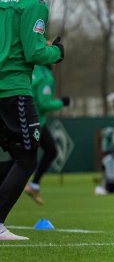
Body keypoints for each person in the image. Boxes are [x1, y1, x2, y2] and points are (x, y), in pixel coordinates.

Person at [0, 0, 64, 240]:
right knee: (27, 159)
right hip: (15, 90)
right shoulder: (35, 4)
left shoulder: (4, 1)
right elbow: (34, 51)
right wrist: (57, 52)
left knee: (15, 156)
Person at [23, 63, 70, 204]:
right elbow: (44, 103)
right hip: (35, 121)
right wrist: (61, 103)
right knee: (45, 153)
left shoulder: (34, 69)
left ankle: (33, 185)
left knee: (36, 153)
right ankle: (31, 184)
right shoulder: (45, 77)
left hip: (23, 117)